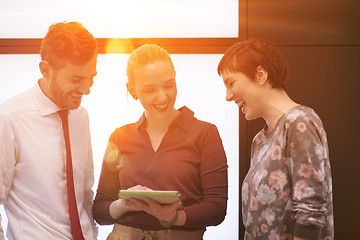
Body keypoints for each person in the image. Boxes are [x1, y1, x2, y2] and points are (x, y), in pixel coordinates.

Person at [92, 44, 228, 239]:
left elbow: (216, 209)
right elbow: (100, 211)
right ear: (132, 89)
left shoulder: (205, 134)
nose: (163, 96)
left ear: (175, 77)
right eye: (150, 89)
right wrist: (123, 205)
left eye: (169, 85)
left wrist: (173, 217)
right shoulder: (119, 137)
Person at [217, 39, 334, 240]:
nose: (228, 96)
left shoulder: (299, 122)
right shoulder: (260, 141)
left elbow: (311, 212)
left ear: (260, 75)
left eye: (231, 83)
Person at [0, 22, 98, 239]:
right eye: (76, 79)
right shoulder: (9, 119)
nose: (86, 89)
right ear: (45, 69)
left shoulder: (81, 116)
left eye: (91, 77)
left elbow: (84, 193)